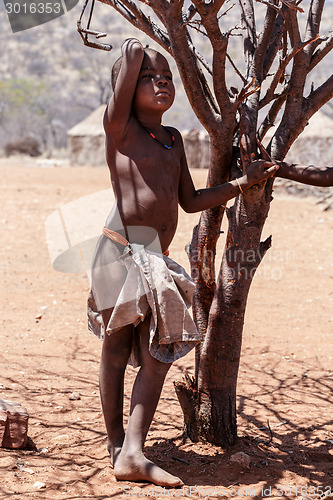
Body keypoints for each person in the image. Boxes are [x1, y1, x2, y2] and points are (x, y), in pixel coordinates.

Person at [87, 38, 279, 487]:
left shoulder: (172, 139)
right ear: (126, 87)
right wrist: (137, 51)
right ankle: (119, 446)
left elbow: (191, 201)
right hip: (118, 251)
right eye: (148, 78)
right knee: (115, 350)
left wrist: (240, 183)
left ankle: (132, 450)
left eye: (167, 78)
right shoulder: (120, 129)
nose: (161, 84)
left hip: (156, 258)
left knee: (160, 352)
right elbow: (131, 54)